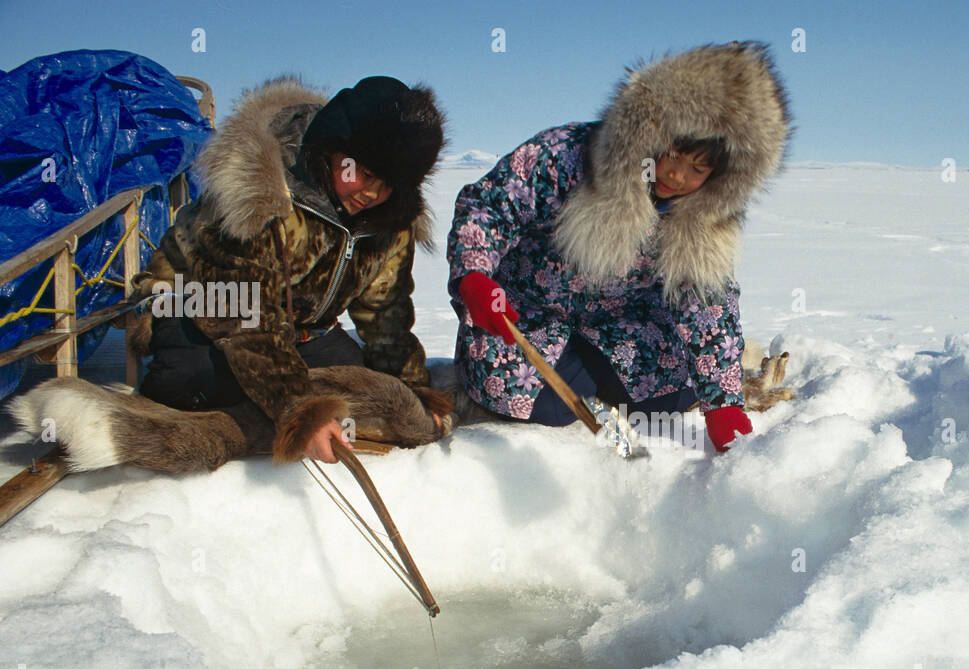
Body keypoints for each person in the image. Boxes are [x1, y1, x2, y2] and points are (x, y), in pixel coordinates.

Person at [445, 42, 791, 452]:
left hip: (622, 323)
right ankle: (577, 378)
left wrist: (723, 404)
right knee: (530, 399)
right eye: (673, 155)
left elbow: (707, 300)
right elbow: (487, 206)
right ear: (653, 134)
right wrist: (475, 276)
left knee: (674, 395)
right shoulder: (566, 155)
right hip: (525, 313)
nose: (678, 177)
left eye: (698, 169)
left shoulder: (704, 211)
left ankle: (598, 374)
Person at [127, 75, 450, 463]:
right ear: (333, 149)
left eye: (388, 184)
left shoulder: (387, 219)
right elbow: (241, 313)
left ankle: (259, 404)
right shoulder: (259, 189)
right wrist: (299, 410)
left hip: (302, 329)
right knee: (192, 380)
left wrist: (413, 391)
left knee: (367, 393)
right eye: (363, 173)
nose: (372, 193)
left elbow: (386, 313)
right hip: (201, 306)